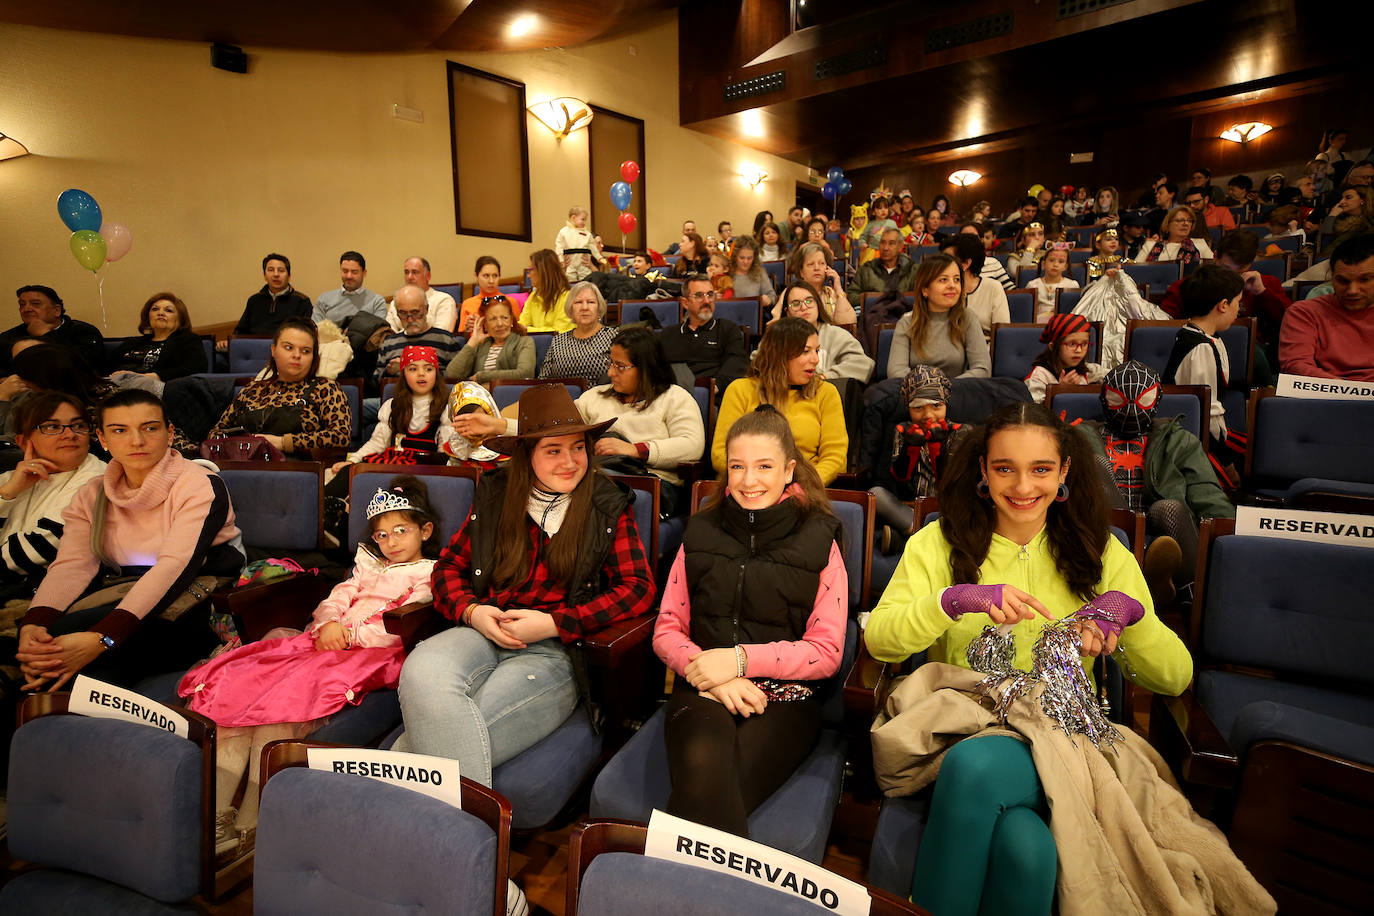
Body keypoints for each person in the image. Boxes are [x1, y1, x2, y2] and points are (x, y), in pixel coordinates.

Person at [865, 402, 1192, 916]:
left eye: (1040, 469)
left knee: (977, 772)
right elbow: (881, 641)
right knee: (1028, 853)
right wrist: (950, 602)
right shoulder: (935, 543)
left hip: (1068, 737)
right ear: (983, 470)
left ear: (1064, 471)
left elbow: (1175, 676)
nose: (1022, 487)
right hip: (965, 726)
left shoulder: (1102, 552)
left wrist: (1130, 615)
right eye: (1004, 469)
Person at [395, 384, 654, 787]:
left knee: (461, 726)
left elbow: (637, 588)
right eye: (553, 450)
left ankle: (391, 779)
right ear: (526, 455)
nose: (570, 462)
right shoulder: (498, 493)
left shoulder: (606, 502)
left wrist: (556, 624)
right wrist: (472, 611)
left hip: (553, 649)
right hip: (483, 629)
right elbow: (448, 567)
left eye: (578, 448)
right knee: (419, 671)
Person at [180, 476, 439, 862]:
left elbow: (398, 623)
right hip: (322, 643)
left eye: (401, 530)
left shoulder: (428, 573)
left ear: (426, 530)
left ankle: (253, 819)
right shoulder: (368, 567)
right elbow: (337, 598)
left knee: (281, 708)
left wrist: (348, 635)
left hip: (365, 655)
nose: (391, 541)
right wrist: (330, 622)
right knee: (241, 694)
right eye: (382, 535)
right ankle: (217, 818)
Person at [653, 406, 845, 838]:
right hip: (703, 684)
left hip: (788, 697)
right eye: (737, 466)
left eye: (764, 466)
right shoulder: (701, 529)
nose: (749, 480)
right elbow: (667, 628)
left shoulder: (819, 536)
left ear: (789, 469)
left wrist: (738, 660)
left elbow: (827, 652)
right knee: (702, 767)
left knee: (713, 791)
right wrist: (711, 673)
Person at [15, 389, 245, 690]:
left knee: (80, 665)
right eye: (119, 430)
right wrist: (36, 622)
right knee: (46, 644)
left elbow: (174, 567)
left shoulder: (199, 485)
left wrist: (103, 638)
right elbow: (72, 565)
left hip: (195, 599)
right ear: (103, 439)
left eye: (150, 428)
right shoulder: (92, 494)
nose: (137, 441)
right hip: (124, 592)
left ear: (170, 433)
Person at [1081, 361, 1234, 602]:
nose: (1131, 410)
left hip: (1164, 538)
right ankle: (1140, 580)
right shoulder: (1080, 439)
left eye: (1143, 400)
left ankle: (1178, 587)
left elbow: (1208, 496)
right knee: (1096, 465)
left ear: (1157, 399)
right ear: (1104, 399)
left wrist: (1233, 541)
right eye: (1118, 400)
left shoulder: (1179, 441)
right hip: (1105, 530)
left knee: (1168, 508)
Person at [573, 327, 704, 517]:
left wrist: (636, 449)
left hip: (652, 485)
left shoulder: (674, 398)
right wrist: (512, 426)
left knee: (601, 493)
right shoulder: (593, 397)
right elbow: (560, 427)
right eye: (610, 363)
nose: (610, 372)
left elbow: (692, 445)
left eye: (620, 366)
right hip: (599, 477)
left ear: (646, 368)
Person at [0, 393, 106, 602]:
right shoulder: (11, 478)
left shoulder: (98, 481)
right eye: (51, 427)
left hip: (49, 598)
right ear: (23, 442)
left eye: (78, 425)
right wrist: (8, 493)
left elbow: (28, 554)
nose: (69, 434)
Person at [714, 318, 847, 484]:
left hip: (805, 490)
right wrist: (759, 479)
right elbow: (720, 453)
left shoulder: (826, 393)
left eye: (816, 351)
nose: (815, 359)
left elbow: (835, 457)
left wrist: (803, 485)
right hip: (749, 485)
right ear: (779, 355)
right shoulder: (740, 390)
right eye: (806, 351)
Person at [205, 318, 351, 457]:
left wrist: (284, 442)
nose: (296, 355)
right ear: (274, 350)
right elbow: (216, 433)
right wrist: (243, 442)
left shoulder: (325, 388)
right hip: (245, 466)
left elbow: (341, 436)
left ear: (313, 356)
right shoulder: (252, 389)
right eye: (288, 347)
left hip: (298, 472)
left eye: (306, 351)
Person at [1162, 230, 1289, 381]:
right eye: (1227, 269)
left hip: (1255, 361)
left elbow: (1288, 325)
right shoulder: (1189, 286)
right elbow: (1165, 326)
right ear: (1215, 256)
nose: (1232, 277)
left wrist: (1262, 293)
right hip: (1200, 351)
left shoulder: (1265, 284)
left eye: (1241, 271)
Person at [1165, 265, 1246, 479]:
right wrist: (1227, 465)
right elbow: (1205, 414)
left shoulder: (1202, 336)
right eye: (1238, 302)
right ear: (1223, 305)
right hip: (1193, 440)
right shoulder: (1200, 347)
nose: (1240, 309)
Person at [868, 365, 963, 543]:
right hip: (911, 509)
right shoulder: (902, 431)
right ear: (908, 408)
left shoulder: (961, 431)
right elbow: (899, 482)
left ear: (945, 403)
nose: (928, 415)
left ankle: (906, 537)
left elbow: (953, 484)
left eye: (936, 406)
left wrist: (937, 449)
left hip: (949, 509)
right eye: (918, 408)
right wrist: (909, 449)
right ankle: (925, 535)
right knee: (876, 495)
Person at [334, 346, 455, 479]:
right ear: (404, 374)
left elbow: (445, 456)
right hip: (394, 466)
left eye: (428, 369)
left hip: (425, 472)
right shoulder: (392, 405)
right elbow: (377, 443)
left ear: (436, 374)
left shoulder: (446, 409)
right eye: (413, 369)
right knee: (347, 473)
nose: (421, 374)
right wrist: (353, 461)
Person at [1279, 233, 1374, 381]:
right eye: (1343, 281)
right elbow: (1295, 365)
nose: (1352, 290)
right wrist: (1346, 390)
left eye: (1365, 280)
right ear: (1331, 277)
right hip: (1326, 397)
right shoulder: (1304, 312)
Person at [887, 254, 991, 380]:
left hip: (958, 391)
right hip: (916, 394)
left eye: (957, 279)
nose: (952, 285)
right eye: (943, 280)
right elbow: (896, 372)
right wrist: (928, 388)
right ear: (925, 290)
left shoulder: (967, 318)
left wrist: (945, 387)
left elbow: (982, 369)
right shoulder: (906, 322)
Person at [659, 275, 750, 399]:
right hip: (675, 398)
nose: (706, 301)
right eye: (699, 296)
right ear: (685, 303)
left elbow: (736, 362)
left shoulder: (727, 329)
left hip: (715, 397)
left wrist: (717, 386)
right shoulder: (668, 334)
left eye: (710, 294)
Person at [107, 292, 208, 392]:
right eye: (155, 309)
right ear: (148, 316)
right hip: (115, 386)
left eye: (168, 310)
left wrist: (144, 377)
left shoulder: (188, 341)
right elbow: (106, 366)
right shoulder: (132, 342)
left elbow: (195, 369)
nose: (160, 313)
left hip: (157, 390)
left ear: (180, 318)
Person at [778, 281, 873, 383]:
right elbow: (760, 361)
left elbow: (862, 364)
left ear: (818, 305)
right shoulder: (779, 337)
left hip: (828, 393)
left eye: (809, 301)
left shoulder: (837, 335)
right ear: (787, 312)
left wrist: (824, 377)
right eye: (795, 304)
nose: (804, 307)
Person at [374, 285, 462, 390]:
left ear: (426, 309)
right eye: (403, 313)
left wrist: (421, 370)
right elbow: (375, 384)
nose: (410, 319)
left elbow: (456, 379)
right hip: (398, 399)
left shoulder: (446, 340)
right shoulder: (389, 343)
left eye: (415, 313)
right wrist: (389, 372)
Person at [1, 286, 104, 375]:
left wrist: (45, 335)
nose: (26, 309)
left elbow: (83, 365)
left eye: (35, 304)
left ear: (56, 310)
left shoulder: (84, 332)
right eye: (22, 304)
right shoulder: (9, 336)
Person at [537, 281, 616, 385]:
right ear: (571, 309)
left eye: (591, 302)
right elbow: (543, 380)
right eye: (578, 302)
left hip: (603, 398)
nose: (584, 307)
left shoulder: (614, 337)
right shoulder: (557, 341)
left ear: (599, 308)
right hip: (564, 400)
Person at [445, 296, 536, 383]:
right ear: (484, 324)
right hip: (479, 397)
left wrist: (481, 376)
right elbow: (452, 374)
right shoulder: (480, 345)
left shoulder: (524, 342)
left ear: (511, 320)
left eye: (504, 318)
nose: (500, 324)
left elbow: (525, 373)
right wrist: (473, 342)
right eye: (493, 319)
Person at [1022, 313, 1103, 404]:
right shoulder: (1040, 375)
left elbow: (1113, 376)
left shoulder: (1089, 370)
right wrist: (1060, 391)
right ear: (1053, 346)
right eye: (1072, 344)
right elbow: (1035, 411)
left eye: (1084, 344)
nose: (1079, 350)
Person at [231, 253, 313, 338]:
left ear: (289, 276)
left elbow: (306, 334)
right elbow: (241, 331)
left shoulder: (302, 301)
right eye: (271, 270)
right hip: (254, 347)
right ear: (264, 275)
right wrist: (229, 342)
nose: (276, 274)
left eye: (281, 270)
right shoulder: (254, 300)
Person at [948, 234, 1010, 341]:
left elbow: (1002, 336)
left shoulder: (993, 287)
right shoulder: (944, 289)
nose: (942, 264)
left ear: (966, 264)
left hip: (985, 351)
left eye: (949, 259)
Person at [846, 228, 917, 311]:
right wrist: (875, 299)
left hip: (905, 318)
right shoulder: (867, 269)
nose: (885, 248)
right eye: (883, 243)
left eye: (891, 243)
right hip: (874, 316)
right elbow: (851, 296)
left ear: (900, 246)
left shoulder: (912, 269)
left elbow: (921, 297)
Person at [790, 242, 858, 326]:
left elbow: (849, 324)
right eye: (811, 264)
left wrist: (838, 289)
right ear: (801, 272)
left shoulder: (832, 293)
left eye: (821, 263)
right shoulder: (793, 294)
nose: (817, 268)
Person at [312, 251, 387, 326]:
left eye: (354, 272)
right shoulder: (324, 299)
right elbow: (314, 330)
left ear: (364, 273)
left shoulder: (376, 302)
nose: (349, 276)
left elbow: (378, 333)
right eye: (345, 271)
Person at [385, 257, 457, 334]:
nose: (409, 277)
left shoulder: (443, 300)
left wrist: (407, 332)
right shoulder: (396, 302)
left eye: (415, 272)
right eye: (406, 272)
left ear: (428, 276)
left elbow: (442, 334)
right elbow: (390, 335)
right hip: (400, 345)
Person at [1135, 206, 1212, 264]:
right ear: (1167, 225)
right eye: (1180, 220)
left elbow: (1213, 270)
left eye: (1189, 221)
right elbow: (1135, 271)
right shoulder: (1151, 245)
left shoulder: (1200, 244)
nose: (1185, 224)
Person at [521, 250, 574, 333]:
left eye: (531, 269)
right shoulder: (533, 296)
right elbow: (522, 325)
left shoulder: (567, 298)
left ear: (543, 271)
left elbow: (559, 332)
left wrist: (527, 330)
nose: (528, 275)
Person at [1025, 247, 1079, 324]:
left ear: (1065, 266)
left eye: (1061, 261)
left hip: (1061, 324)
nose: (1055, 264)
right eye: (1051, 260)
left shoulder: (1072, 285)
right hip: (1037, 324)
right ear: (1043, 264)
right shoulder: (1033, 285)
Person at [555, 206, 606, 283]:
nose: (584, 222)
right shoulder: (563, 232)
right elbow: (559, 246)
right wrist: (561, 260)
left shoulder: (587, 234)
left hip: (583, 263)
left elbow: (592, 247)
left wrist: (599, 257)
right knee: (570, 281)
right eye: (583, 219)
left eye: (585, 220)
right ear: (573, 218)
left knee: (586, 281)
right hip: (570, 263)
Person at [457, 256, 506, 336]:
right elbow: (462, 337)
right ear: (476, 276)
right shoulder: (468, 304)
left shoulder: (510, 302)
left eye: (495, 276)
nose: (491, 281)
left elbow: (517, 333)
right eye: (486, 276)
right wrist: (468, 329)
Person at [728, 237, 776, 311]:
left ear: (754, 258)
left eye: (749, 258)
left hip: (753, 314)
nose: (745, 262)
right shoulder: (727, 271)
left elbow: (772, 296)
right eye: (742, 258)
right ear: (735, 257)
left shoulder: (759, 272)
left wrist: (767, 300)